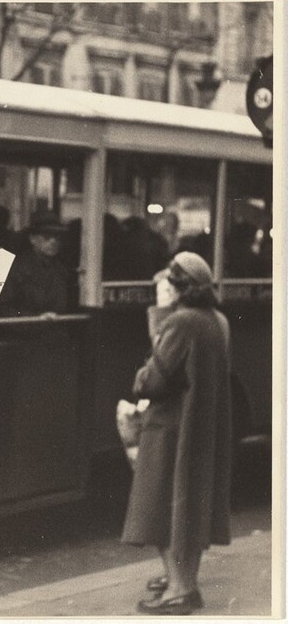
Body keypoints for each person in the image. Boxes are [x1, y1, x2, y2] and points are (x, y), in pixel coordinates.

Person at [122, 252, 232, 616]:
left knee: (159, 508)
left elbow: (153, 379)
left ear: (176, 287)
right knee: (192, 509)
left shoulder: (179, 322)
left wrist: (157, 317)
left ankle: (179, 589)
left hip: (172, 429)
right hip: (202, 427)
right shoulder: (217, 319)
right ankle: (186, 584)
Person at [0, 213, 72, 317]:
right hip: (25, 330)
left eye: (57, 237)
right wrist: (35, 318)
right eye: (46, 237)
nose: (53, 241)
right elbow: (4, 308)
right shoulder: (17, 269)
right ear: (32, 239)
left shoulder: (61, 270)